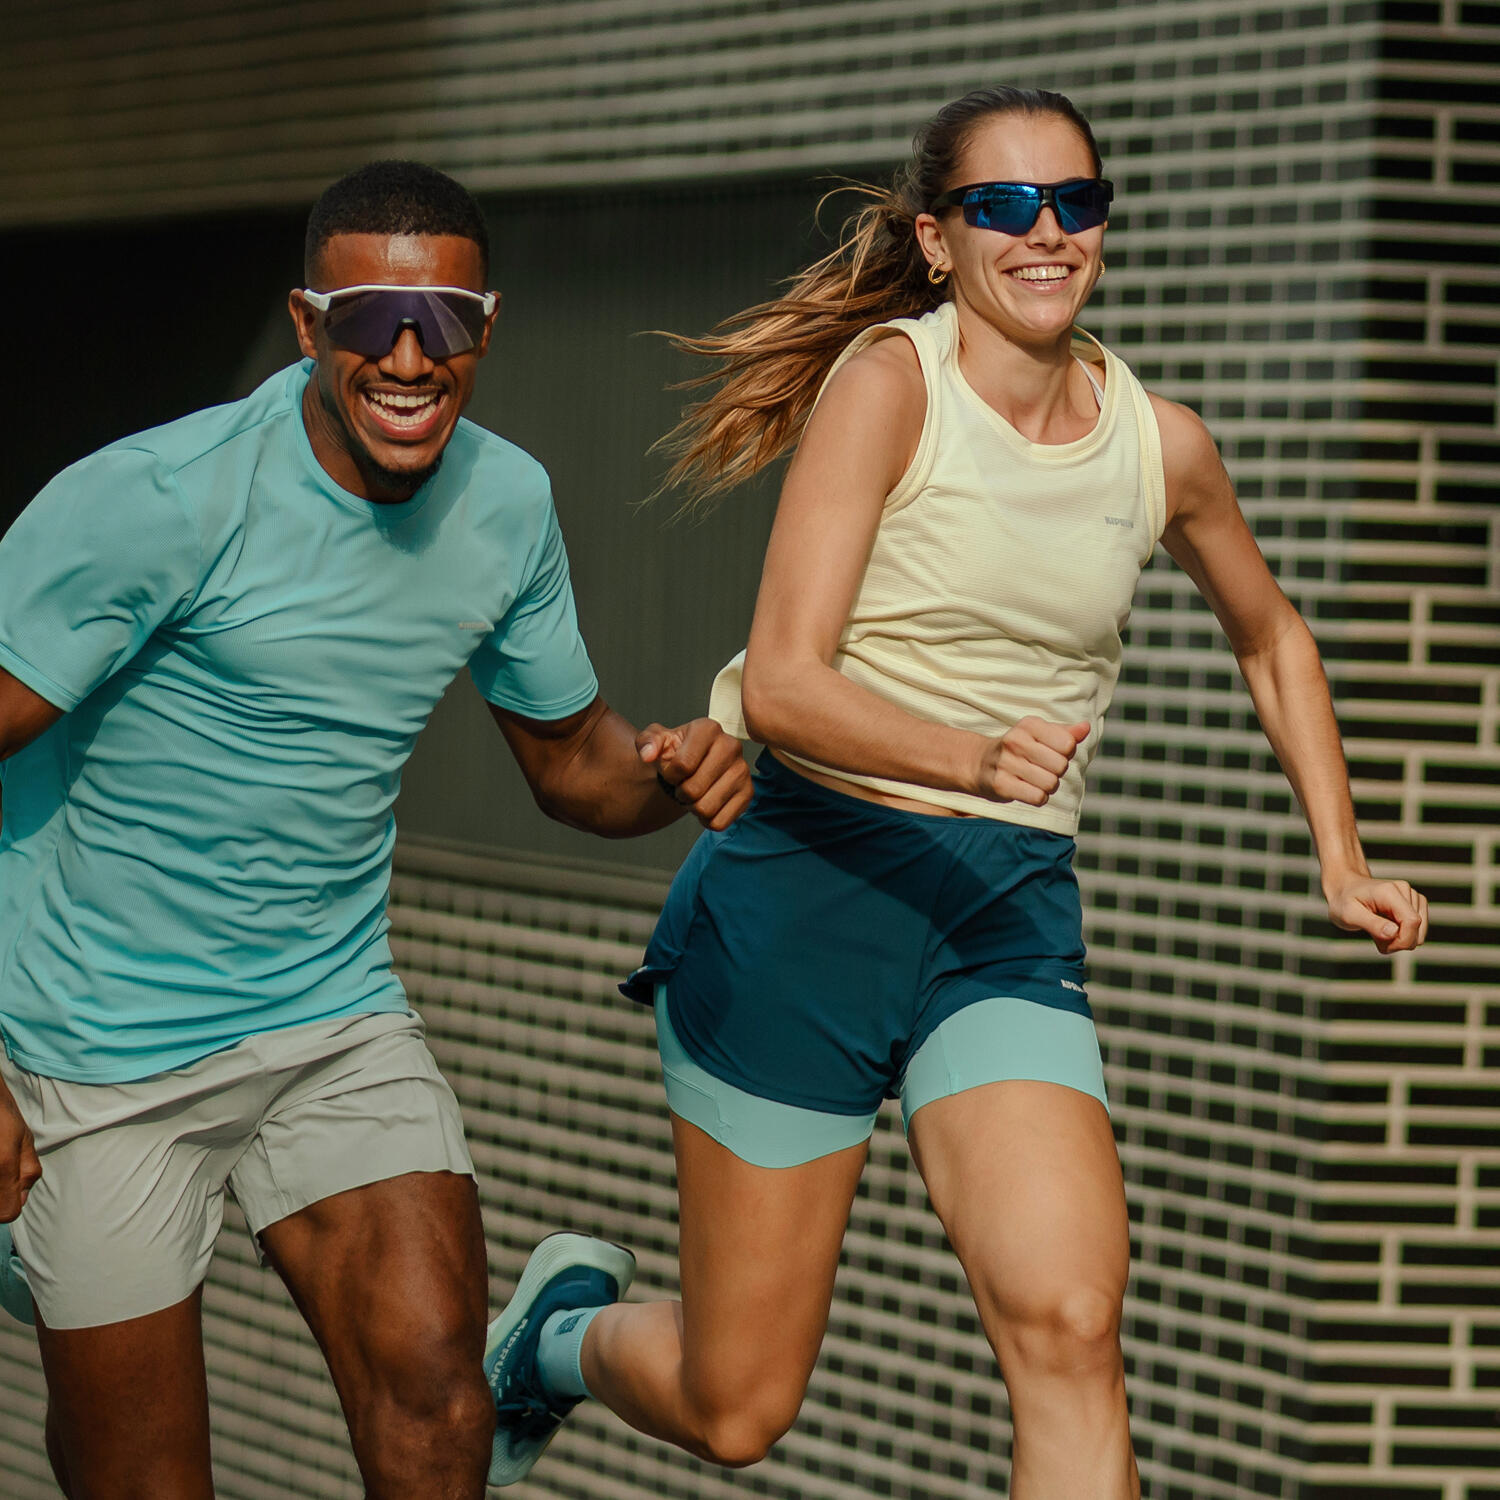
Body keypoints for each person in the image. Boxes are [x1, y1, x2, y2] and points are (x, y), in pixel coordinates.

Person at [482, 86, 1431, 1496]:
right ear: (938, 239)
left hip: (999, 922)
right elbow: (791, 683)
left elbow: (1272, 632)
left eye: (1076, 202)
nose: (1045, 231)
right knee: (737, 1406)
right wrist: (970, 756)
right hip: (807, 899)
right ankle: (555, 1344)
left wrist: (1340, 857)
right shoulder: (890, 386)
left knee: (1071, 1323)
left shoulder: (1159, 444)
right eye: (1003, 206)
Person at [0, 159, 750, 1500]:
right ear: (305, 326)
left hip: (327, 1022)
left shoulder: (505, 505)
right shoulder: (154, 503)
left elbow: (575, 767)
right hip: (93, 1052)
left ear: (487, 325)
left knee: (437, 1392)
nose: (408, 356)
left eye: (445, 321)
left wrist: (681, 771)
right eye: (365, 319)